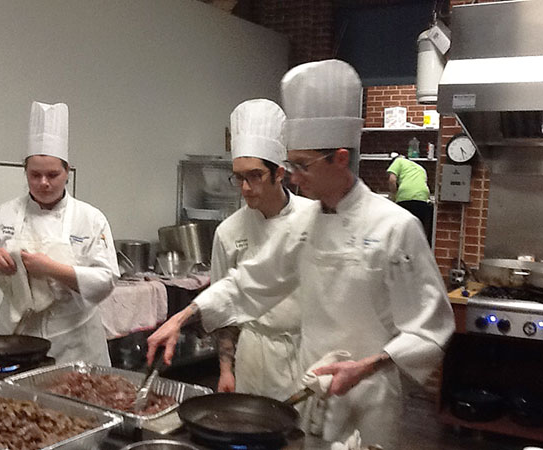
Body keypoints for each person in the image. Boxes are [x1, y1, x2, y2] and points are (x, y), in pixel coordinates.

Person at [146, 60, 455, 447]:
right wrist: (182, 317)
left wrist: (368, 365)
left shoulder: (395, 226)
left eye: (302, 165)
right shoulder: (304, 226)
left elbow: (432, 327)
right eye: (290, 163)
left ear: (340, 158)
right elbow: (250, 282)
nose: (292, 175)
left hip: (370, 399)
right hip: (315, 389)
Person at [0, 101, 119, 365]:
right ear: (24, 171)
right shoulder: (3, 215)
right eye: (35, 175)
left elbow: (106, 279)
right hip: (17, 338)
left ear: (67, 172)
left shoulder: (90, 219)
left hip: (74, 342)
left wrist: (51, 269)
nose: (43, 183)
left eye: (52, 174)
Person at [213, 99, 313, 401]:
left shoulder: (314, 219)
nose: (245, 188)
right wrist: (226, 370)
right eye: (238, 177)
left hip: (305, 351)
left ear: (279, 173)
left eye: (254, 176)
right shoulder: (228, 232)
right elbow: (224, 311)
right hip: (253, 355)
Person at [387, 151, 433, 244]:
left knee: (402, 229)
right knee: (417, 229)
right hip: (422, 198)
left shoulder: (398, 161)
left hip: (406, 196)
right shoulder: (420, 168)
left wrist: (394, 196)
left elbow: (392, 180)